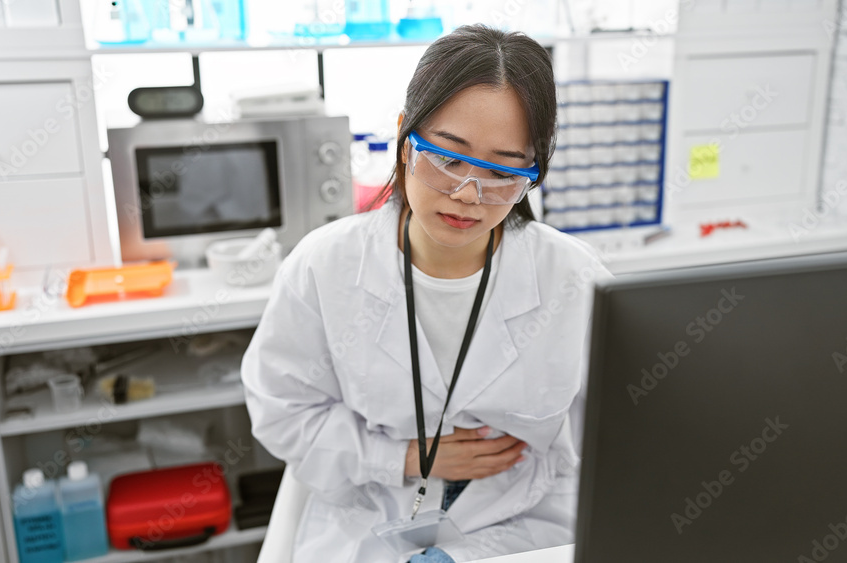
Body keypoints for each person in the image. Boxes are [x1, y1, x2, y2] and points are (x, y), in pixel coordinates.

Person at [241, 24, 609, 563]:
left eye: (503, 171)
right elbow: (282, 411)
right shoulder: (325, 266)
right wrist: (407, 458)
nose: (467, 194)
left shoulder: (576, 280)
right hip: (366, 515)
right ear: (403, 138)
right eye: (447, 157)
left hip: (523, 525)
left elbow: (615, 437)